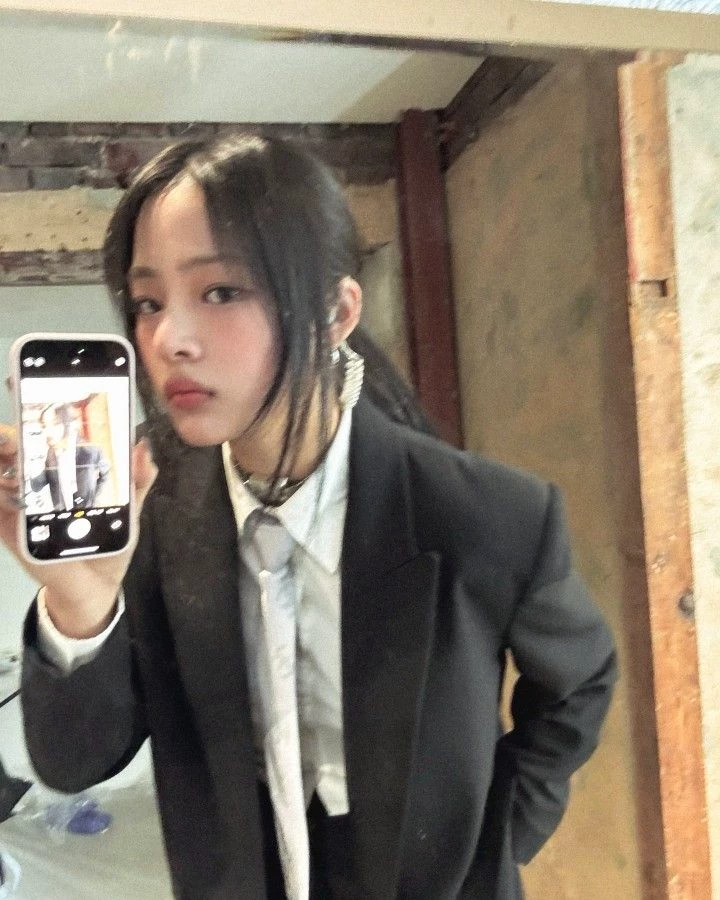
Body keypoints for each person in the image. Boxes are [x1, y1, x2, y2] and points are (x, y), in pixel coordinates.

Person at [0, 134, 617, 900]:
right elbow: (75, 762)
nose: (168, 339)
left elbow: (579, 684)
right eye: (148, 302)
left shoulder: (484, 514)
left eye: (220, 291)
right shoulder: (155, 505)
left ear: (336, 310)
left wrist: (497, 840)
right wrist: (80, 604)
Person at [27, 403, 110, 511]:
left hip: (90, 513)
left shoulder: (91, 450)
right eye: (44, 426)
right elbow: (37, 486)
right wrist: (35, 461)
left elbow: (105, 475)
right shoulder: (50, 454)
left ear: (68, 424)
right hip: (62, 516)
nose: (47, 432)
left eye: (54, 424)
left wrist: (94, 500)